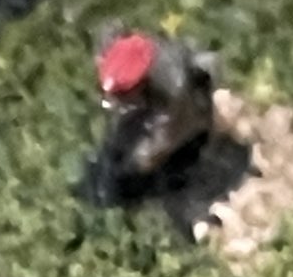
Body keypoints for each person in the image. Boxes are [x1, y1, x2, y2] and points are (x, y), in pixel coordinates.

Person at [85, 30, 219, 206]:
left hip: (188, 118)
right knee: (110, 162)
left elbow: (161, 144)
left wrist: (133, 163)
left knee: (147, 177)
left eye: (123, 94)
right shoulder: (128, 53)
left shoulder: (171, 91)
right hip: (154, 109)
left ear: (141, 84)